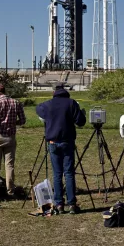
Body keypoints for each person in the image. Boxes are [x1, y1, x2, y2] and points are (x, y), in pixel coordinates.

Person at [36, 82, 86, 214]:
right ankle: (72, 204)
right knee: (69, 173)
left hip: (53, 141)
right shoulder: (71, 103)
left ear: (54, 92)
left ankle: (59, 204)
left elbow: (38, 109)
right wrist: (81, 113)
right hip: (67, 141)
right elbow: (81, 121)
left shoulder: (48, 104)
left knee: (57, 173)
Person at [0, 83, 26, 198]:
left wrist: (0, 123)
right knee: (9, 165)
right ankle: (10, 190)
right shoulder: (16, 103)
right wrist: (13, 123)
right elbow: (23, 120)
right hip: (10, 137)